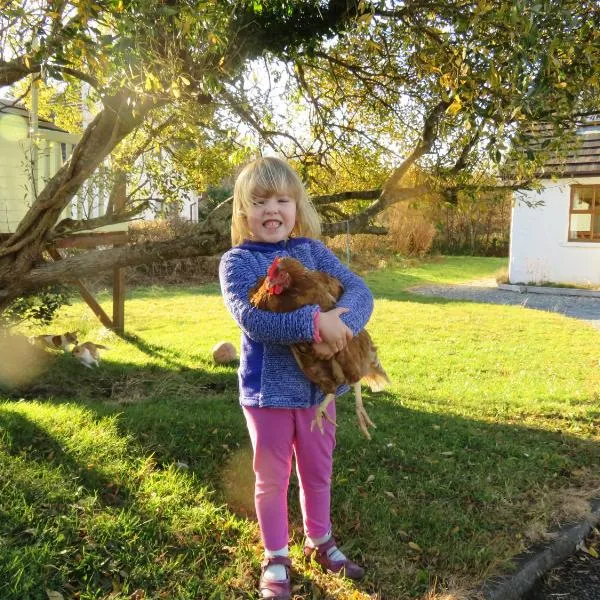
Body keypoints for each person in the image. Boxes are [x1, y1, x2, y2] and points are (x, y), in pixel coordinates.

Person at [219, 156, 373, 599]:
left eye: (282, 199)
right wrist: (314, 324)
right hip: (267, 393)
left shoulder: (313, 252)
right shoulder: (237, 262)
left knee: (318, 470)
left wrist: (343, 325)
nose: (272, 209)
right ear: (244, 212)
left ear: (297, 207)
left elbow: (360, 290)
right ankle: (276, 555)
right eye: (260, 200)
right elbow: (252, 318)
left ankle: (319, 541)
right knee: (271, 477)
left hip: (320, 391)